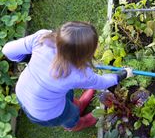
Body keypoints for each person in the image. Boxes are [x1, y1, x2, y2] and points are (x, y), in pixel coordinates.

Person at [2, 21, 133, 132]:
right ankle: (80, 122)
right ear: (83, 54)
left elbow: (7, 50)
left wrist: (28, 58)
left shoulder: (42, 38)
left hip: (24, 91)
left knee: (65, 95)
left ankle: (79, 104)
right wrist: (123, 74)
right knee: (70, 117)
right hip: (45, 112)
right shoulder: (79, 74)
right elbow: (103, 83)